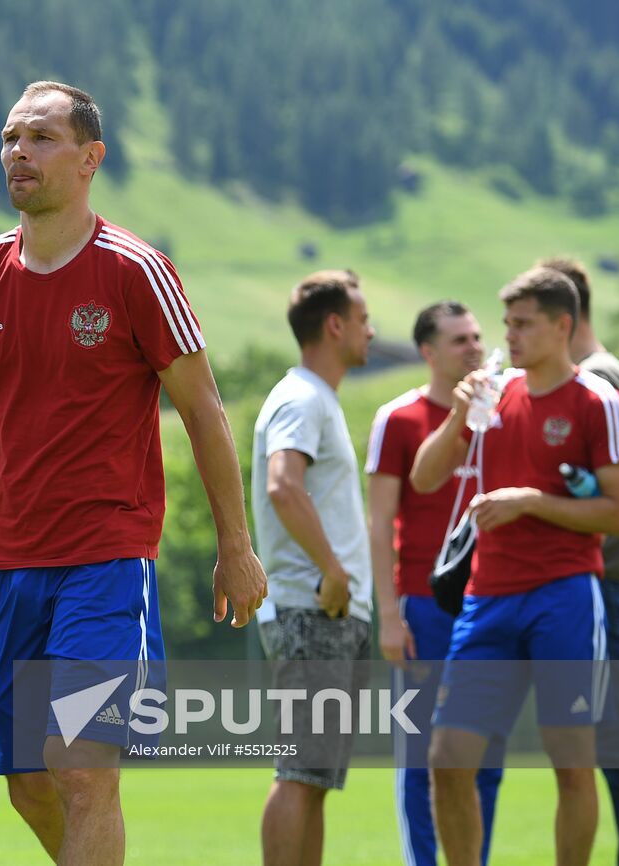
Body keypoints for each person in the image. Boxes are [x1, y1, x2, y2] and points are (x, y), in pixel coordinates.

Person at [0, 81, 267, 866]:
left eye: (41, 138)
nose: (18, 153)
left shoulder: (137, 271)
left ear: (91, 158)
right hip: (3, 565)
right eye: (10, 138)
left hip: (105, 562)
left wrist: (236, 545)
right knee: (28, 783)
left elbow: (203, 410)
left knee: (82, 765)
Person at [411, 267, 619, 866]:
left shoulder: (598, 400)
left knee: (571, 764)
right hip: (487, 599)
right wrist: (457, 417)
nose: (507, 335)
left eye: (523, 324)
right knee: (447, 759)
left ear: (562, 326)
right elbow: (425, 478)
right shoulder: (493, 393)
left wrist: (531, 501)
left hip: (565, 597)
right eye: (507, 323)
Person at [365, 301, 503, 866]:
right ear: (427, 351)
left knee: (485, 756)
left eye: (476, 336)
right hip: (423, 607)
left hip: (490, 605)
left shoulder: (501, 413)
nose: (474, 348)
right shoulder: (398, 418)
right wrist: (389, 615)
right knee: (421, 756)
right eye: (458, 340)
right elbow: (379, 523)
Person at [251, 269, 376, 866]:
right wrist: (333, 569)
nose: (371, 331)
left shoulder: (316, 398)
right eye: (363, 319)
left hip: (328, 612)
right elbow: (283, 485)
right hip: (312, 608)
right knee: (300, 771)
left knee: (315, 778)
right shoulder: (301, 396)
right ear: (335, 325)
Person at [543, 256, 619, 866]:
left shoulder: (597, 380)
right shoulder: (607, 371)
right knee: (609, 732)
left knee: (611, 734)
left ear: (564, 315)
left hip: (606, 576)